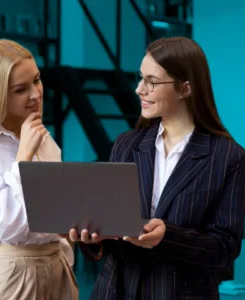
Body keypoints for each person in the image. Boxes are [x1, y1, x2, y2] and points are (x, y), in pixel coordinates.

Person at [69, 36, 245, 299]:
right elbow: (110, 224)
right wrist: (92, 239)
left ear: (185, 88)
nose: (139, 89)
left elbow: (224, 248)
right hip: (116, 290)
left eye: (151, 81)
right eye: (140, 78)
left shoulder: (228, 156)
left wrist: (168, 237)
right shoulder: (126, 144)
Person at [0, 39, 78, 300]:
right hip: (14, 276)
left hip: (59, 270)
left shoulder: (44, 138)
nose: (36, 94)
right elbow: (6, 226)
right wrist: (23, 158)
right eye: (21, 89)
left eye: (37, 79)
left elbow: (57, 211)